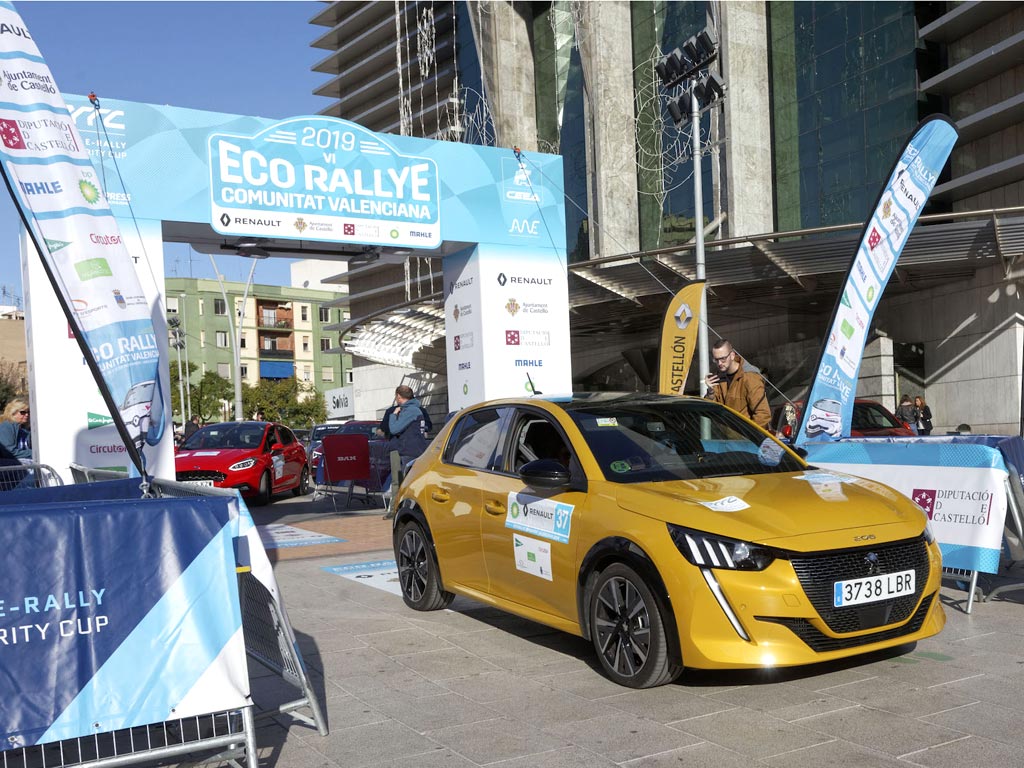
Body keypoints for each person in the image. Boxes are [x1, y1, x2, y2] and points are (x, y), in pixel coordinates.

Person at [703, 340, 770, 429]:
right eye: (716, 359)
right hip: (725, 438)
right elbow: (710, 411)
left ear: (732, 355)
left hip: (745, 439)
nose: (719, 363)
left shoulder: (750, 377)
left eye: (723, 358)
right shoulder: (718, 376)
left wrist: (750, 437)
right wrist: (710, 392)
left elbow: (763, 414)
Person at [386, 385, 429, 464]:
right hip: (417, 450)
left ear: (399, 396)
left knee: (407, 475)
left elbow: (394, 429)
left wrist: (394, 414)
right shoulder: (415, 409)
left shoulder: (410, 410)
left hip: (410, 452)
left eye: (396, 397)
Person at [0, 398, 32, 463]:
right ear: (13, 413)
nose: (27, 414)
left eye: (28, 412)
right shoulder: (6, 427)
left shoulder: (26, 429)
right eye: (23, 412)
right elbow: (10, 452)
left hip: (27, 462)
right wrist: (35, 453)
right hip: (12, 466)